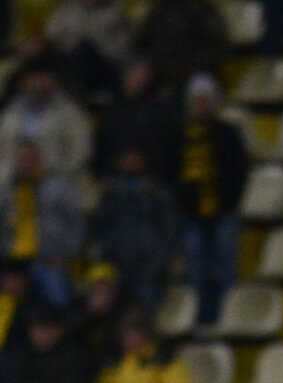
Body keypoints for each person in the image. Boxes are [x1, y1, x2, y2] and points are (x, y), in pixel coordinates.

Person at [175, 74, 248, 329]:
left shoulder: (227, 133)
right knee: (195, 267)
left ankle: (228, 315)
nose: (202, 105)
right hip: (192, 214)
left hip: (223, 212)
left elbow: (239, 172)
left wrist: (230, 205)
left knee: (226, 265)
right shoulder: (182, 135)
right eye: (198, 100)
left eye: (206, 100)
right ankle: (199, 317)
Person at [0, 138, 84, 310]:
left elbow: (77, 222)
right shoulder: (6, 190)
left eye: (31, 159)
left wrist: (67, 254)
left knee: (56, 303)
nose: (26, 164)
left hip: (49, 259)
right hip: (13, 260)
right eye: (22, 159)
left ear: (40, 160)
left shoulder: (58, 188)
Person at [93, 148, 179, 315]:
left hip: (148, 270)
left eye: (135, 158)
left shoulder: (157, 193)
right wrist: (107, 259)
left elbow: (169, 231)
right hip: (116, 267)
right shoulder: (111, 194)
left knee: (144, 316)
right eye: (126, 158)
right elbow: (101, 227)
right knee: (115, 316)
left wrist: (158, 263)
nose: (130, 163)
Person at [0, 58, 91, 191]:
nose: (39, 82)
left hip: (52, 178)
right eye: (34, 77)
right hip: (9, 178)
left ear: (55, 81)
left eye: (45, 77)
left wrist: (61, 173)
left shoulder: (69, 113)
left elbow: (81, 149)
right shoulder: (13, 110)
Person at [92, 58, 181, 185]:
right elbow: (102, 146)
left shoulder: (158, 110)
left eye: (145, 74)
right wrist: (116, 164)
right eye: (137, 73)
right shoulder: (110, 110)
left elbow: (165, 147)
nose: (141, 79)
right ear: (126, 75)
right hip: (114, 178)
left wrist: (145, 161)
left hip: (150, 178)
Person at [136, 0, 229, 95]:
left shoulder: (201, 9)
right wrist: (145, 65)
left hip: (194, 76)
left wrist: (190, 67)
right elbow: (141, 44)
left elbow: (218, 48)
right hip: (160, 76)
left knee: (201, 86)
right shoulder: (159, 10)